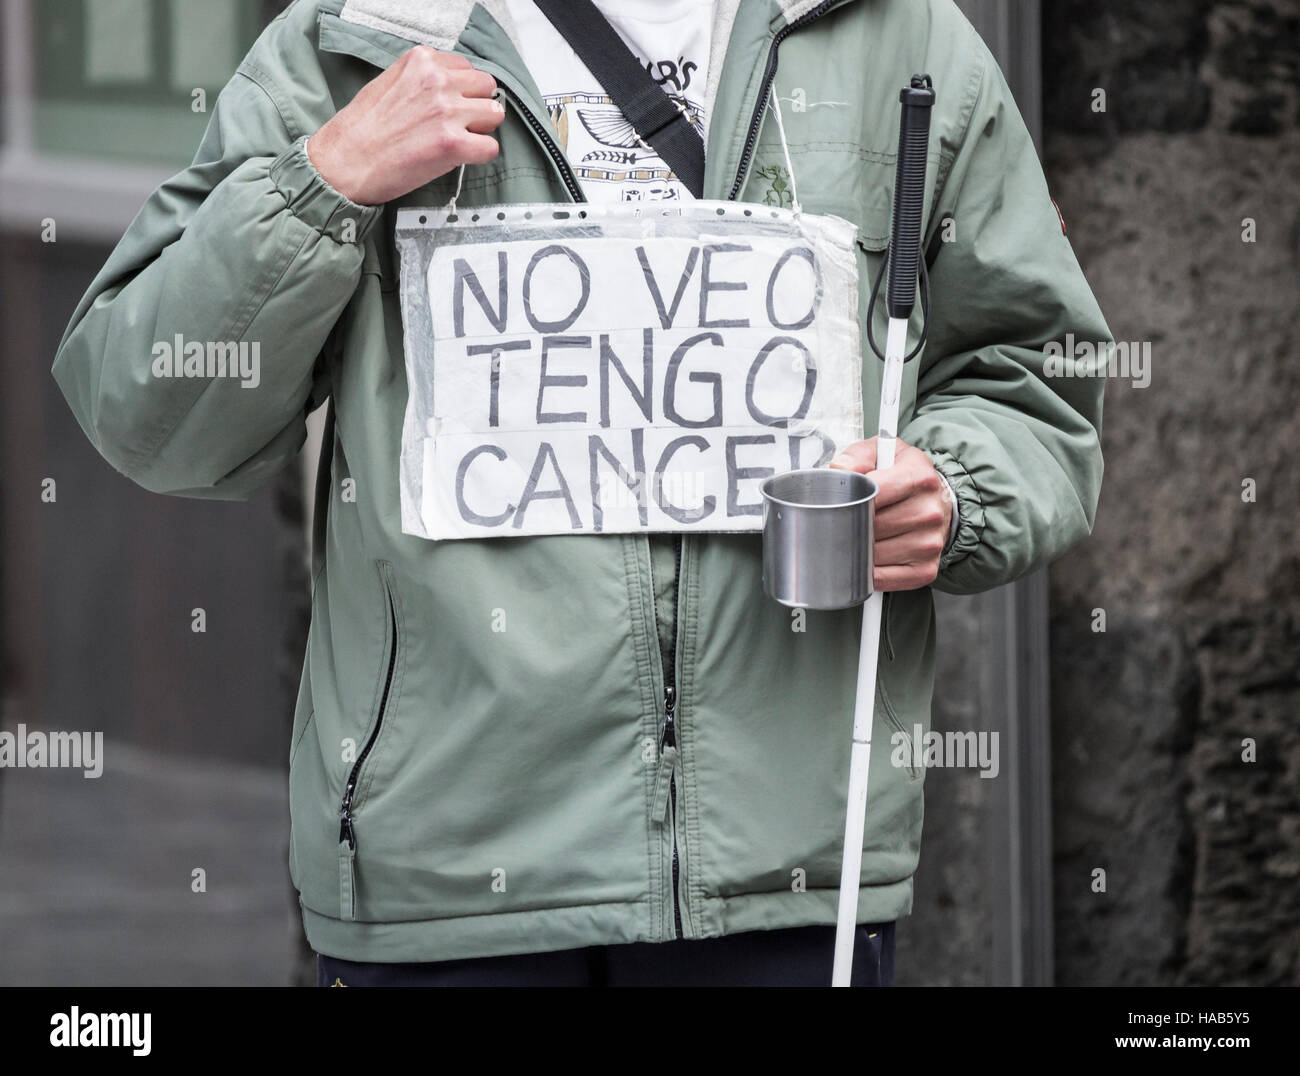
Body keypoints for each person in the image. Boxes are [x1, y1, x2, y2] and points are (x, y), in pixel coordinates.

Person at [52, 0, 1107, 987]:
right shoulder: (360, 33)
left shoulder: (898, 36)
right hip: (446, 885)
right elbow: (148, 412)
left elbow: (1029, 370)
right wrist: (321, 181)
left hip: (785, 880)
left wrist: (954, 487)